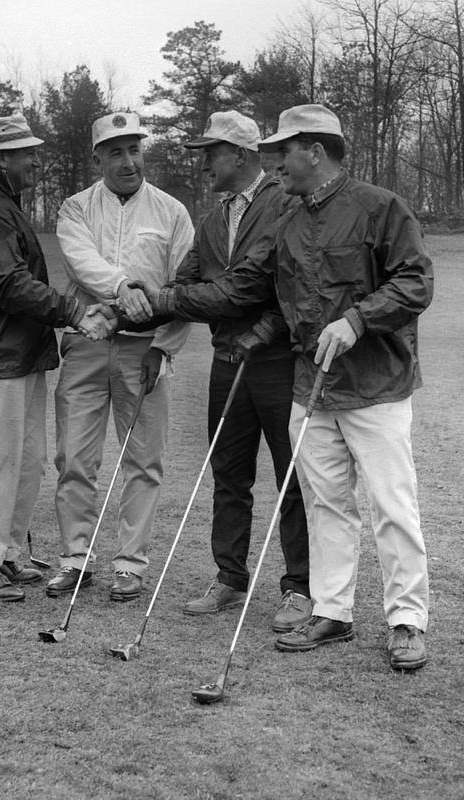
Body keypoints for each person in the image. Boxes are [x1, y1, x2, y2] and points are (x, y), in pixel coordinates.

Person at [150, 104, 434, 670]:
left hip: (375, 385)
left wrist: (356, 320)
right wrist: (259, 330)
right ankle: (333, 612)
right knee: (327, 505)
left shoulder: (381, 207)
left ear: (316, 151)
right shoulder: (288, 221)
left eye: (284, 150)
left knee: (391, 504)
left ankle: (406, 620)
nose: (274, 161)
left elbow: (415, 281)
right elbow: (270, 295)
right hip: (311, 388)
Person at [157, 111, 312, 632]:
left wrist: (174, 300)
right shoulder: (213, 215)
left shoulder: (284, 203)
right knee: (228, 473)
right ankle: (229, 576)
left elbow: (264, 286)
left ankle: (300, 588)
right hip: (228, 362)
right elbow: (189, 280)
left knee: (291, 478)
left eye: (211, 153)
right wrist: (155, 301)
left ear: (240, 156)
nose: (203, 164)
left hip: (276, 362)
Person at [0, 113, 98, 602]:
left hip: (17, 354)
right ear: (2, 158)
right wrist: (73, 310)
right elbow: (9, 284)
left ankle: (6, 554)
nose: (35, 159)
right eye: (26, 152)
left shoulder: (1, 205)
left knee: (24, 459)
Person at [47, 111, 193, 603]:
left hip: (144, 352)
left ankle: (130, 565)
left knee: (143, 461)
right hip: (86, 344)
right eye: (116, 151)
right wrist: (122, 286)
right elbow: (80, 260)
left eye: (135, 149)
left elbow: (184, 288)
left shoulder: (172, 211)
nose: (129, 161)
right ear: (98, 158)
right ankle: (75, 559)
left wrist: (164, 346)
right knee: (74, 458)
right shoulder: (74, 208)